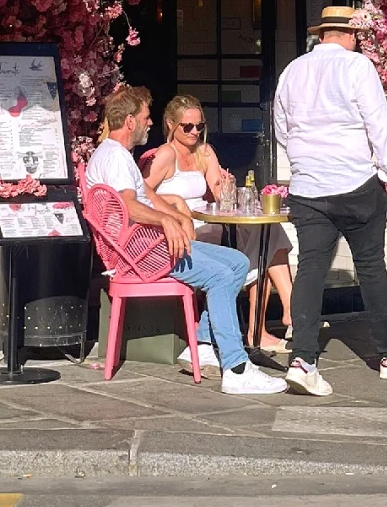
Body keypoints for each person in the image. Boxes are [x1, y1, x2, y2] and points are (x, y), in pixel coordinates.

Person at [85, 85, 286, 395]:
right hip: (143, 254)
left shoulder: (114, 155)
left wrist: (176, 212)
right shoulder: (116, 159)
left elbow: (146, 194)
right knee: (220, 275)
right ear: (129, 122)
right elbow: (129, 205)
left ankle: (204, 343)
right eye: (146, 118)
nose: (149, 123)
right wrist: (167, 220)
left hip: (144, 245)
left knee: (237, 261)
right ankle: (236, 367)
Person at [273, 5, 387, 397]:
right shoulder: (357, 66)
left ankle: (303, 358)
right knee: (370, 267)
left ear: (322, 34)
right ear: (351, 35)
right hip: (353, 180)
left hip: (308, 185)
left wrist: (307, 159)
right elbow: (378, 121)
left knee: (311, 268)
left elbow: (282, 128)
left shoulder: (292, 70)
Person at [144, 94, 293, 352]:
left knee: (269, 230)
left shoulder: (204, 151)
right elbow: (141, 192)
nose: (194, 132)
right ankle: (266, 327)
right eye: (187, 127)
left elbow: (217, 189)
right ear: (170, 124)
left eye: (199, 126)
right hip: (184, 229)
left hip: (208, 224)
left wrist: (226, 185)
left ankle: (286, 310)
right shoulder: (166, 155)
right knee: (259, 246)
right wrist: (176, 202)